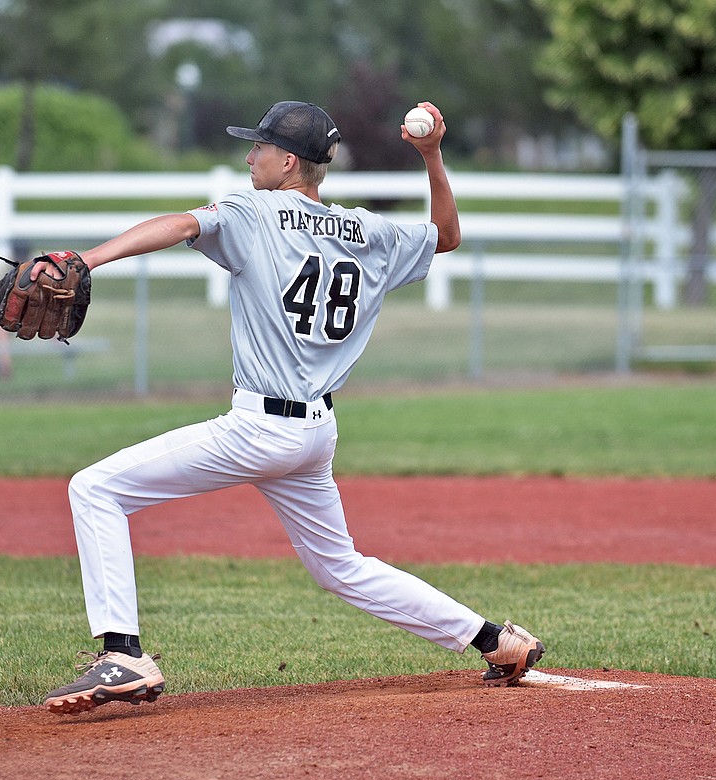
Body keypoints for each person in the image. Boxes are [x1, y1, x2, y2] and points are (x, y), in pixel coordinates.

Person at [37, 100, 544, 715]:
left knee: (96, 490)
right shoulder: (368, 232)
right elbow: (447, 236)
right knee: (341, 568)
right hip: (315, 432)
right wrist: (432, 156)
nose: (249, 157)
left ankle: (122, 653)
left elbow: (179, 225)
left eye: (259, 148)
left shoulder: (255, 211)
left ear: (288, 161)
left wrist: (85, 260)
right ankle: (495, 641)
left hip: (259, 426)